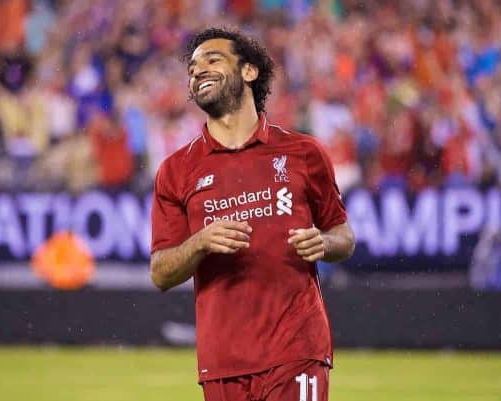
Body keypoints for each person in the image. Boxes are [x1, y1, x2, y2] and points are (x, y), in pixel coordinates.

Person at [150, 27, 355, 401]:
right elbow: (161, 273)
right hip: (223, 360)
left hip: (297, 348)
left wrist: (323, 242)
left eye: (213, 60)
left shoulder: (304, 153)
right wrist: (200, 243)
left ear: (249, 72)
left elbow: (344, 237)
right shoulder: (175, 171)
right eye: (193, 69)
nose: (198, 72)